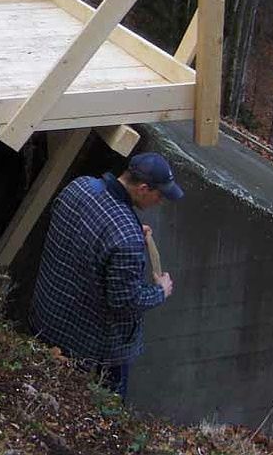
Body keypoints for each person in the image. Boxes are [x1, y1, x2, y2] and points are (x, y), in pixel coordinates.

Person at [29, 151, 181, 400]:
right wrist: (160, 291)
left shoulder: (79, 187)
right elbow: (125, 302)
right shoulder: (125, 239)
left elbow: (83, 231)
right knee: (103, 412)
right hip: (90, 351)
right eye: (160, 195)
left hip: (46, 319)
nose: (161, 201)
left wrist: (131, 230)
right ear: (143, 188)